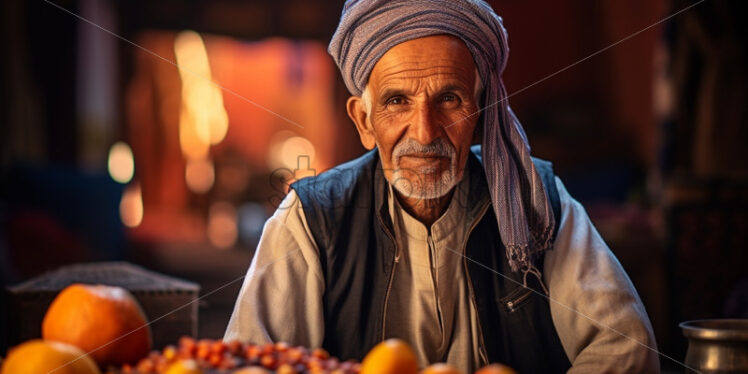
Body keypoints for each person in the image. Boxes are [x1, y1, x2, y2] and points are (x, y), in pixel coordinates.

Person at [226, 1, 659, 373]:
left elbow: (626, 350)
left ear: (481, 111)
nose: (425, 130)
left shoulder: (538, 202)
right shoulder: (311, 219)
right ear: (363, 121)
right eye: (397, 101)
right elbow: (251, 362)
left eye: (449, 99)